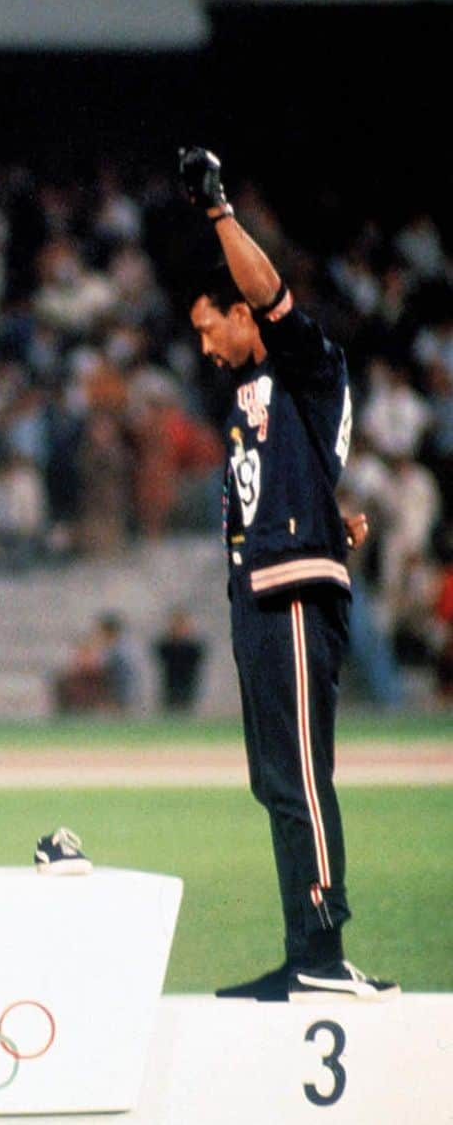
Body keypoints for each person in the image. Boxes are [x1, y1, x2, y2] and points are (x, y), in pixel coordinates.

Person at [181, 146, 399, 1003]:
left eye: (210, 326)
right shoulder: (246, 396)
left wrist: (218, 211)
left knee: (302, 773)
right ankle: (301, 951)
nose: (204, 347)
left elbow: (275, 294)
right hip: (258, 592)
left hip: (297, 591)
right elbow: (288, 476)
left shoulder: (304, 365)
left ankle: (324, 952)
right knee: (274, 778)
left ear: (244, 314)